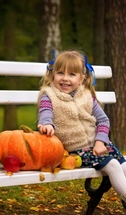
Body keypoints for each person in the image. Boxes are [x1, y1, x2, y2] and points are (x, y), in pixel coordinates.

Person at [37, 50, 126, 202]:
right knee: (112, 165)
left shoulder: (86, 96)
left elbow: (103, 120)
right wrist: (46, 124)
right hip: (77, 151)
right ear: (52, 74)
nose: (65, 79)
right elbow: (45, 112)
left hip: (100, 145)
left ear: (82, 78)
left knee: (124, 165)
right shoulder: (49, 95)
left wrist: (100, 141)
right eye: (60, 73)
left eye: (72, 74)